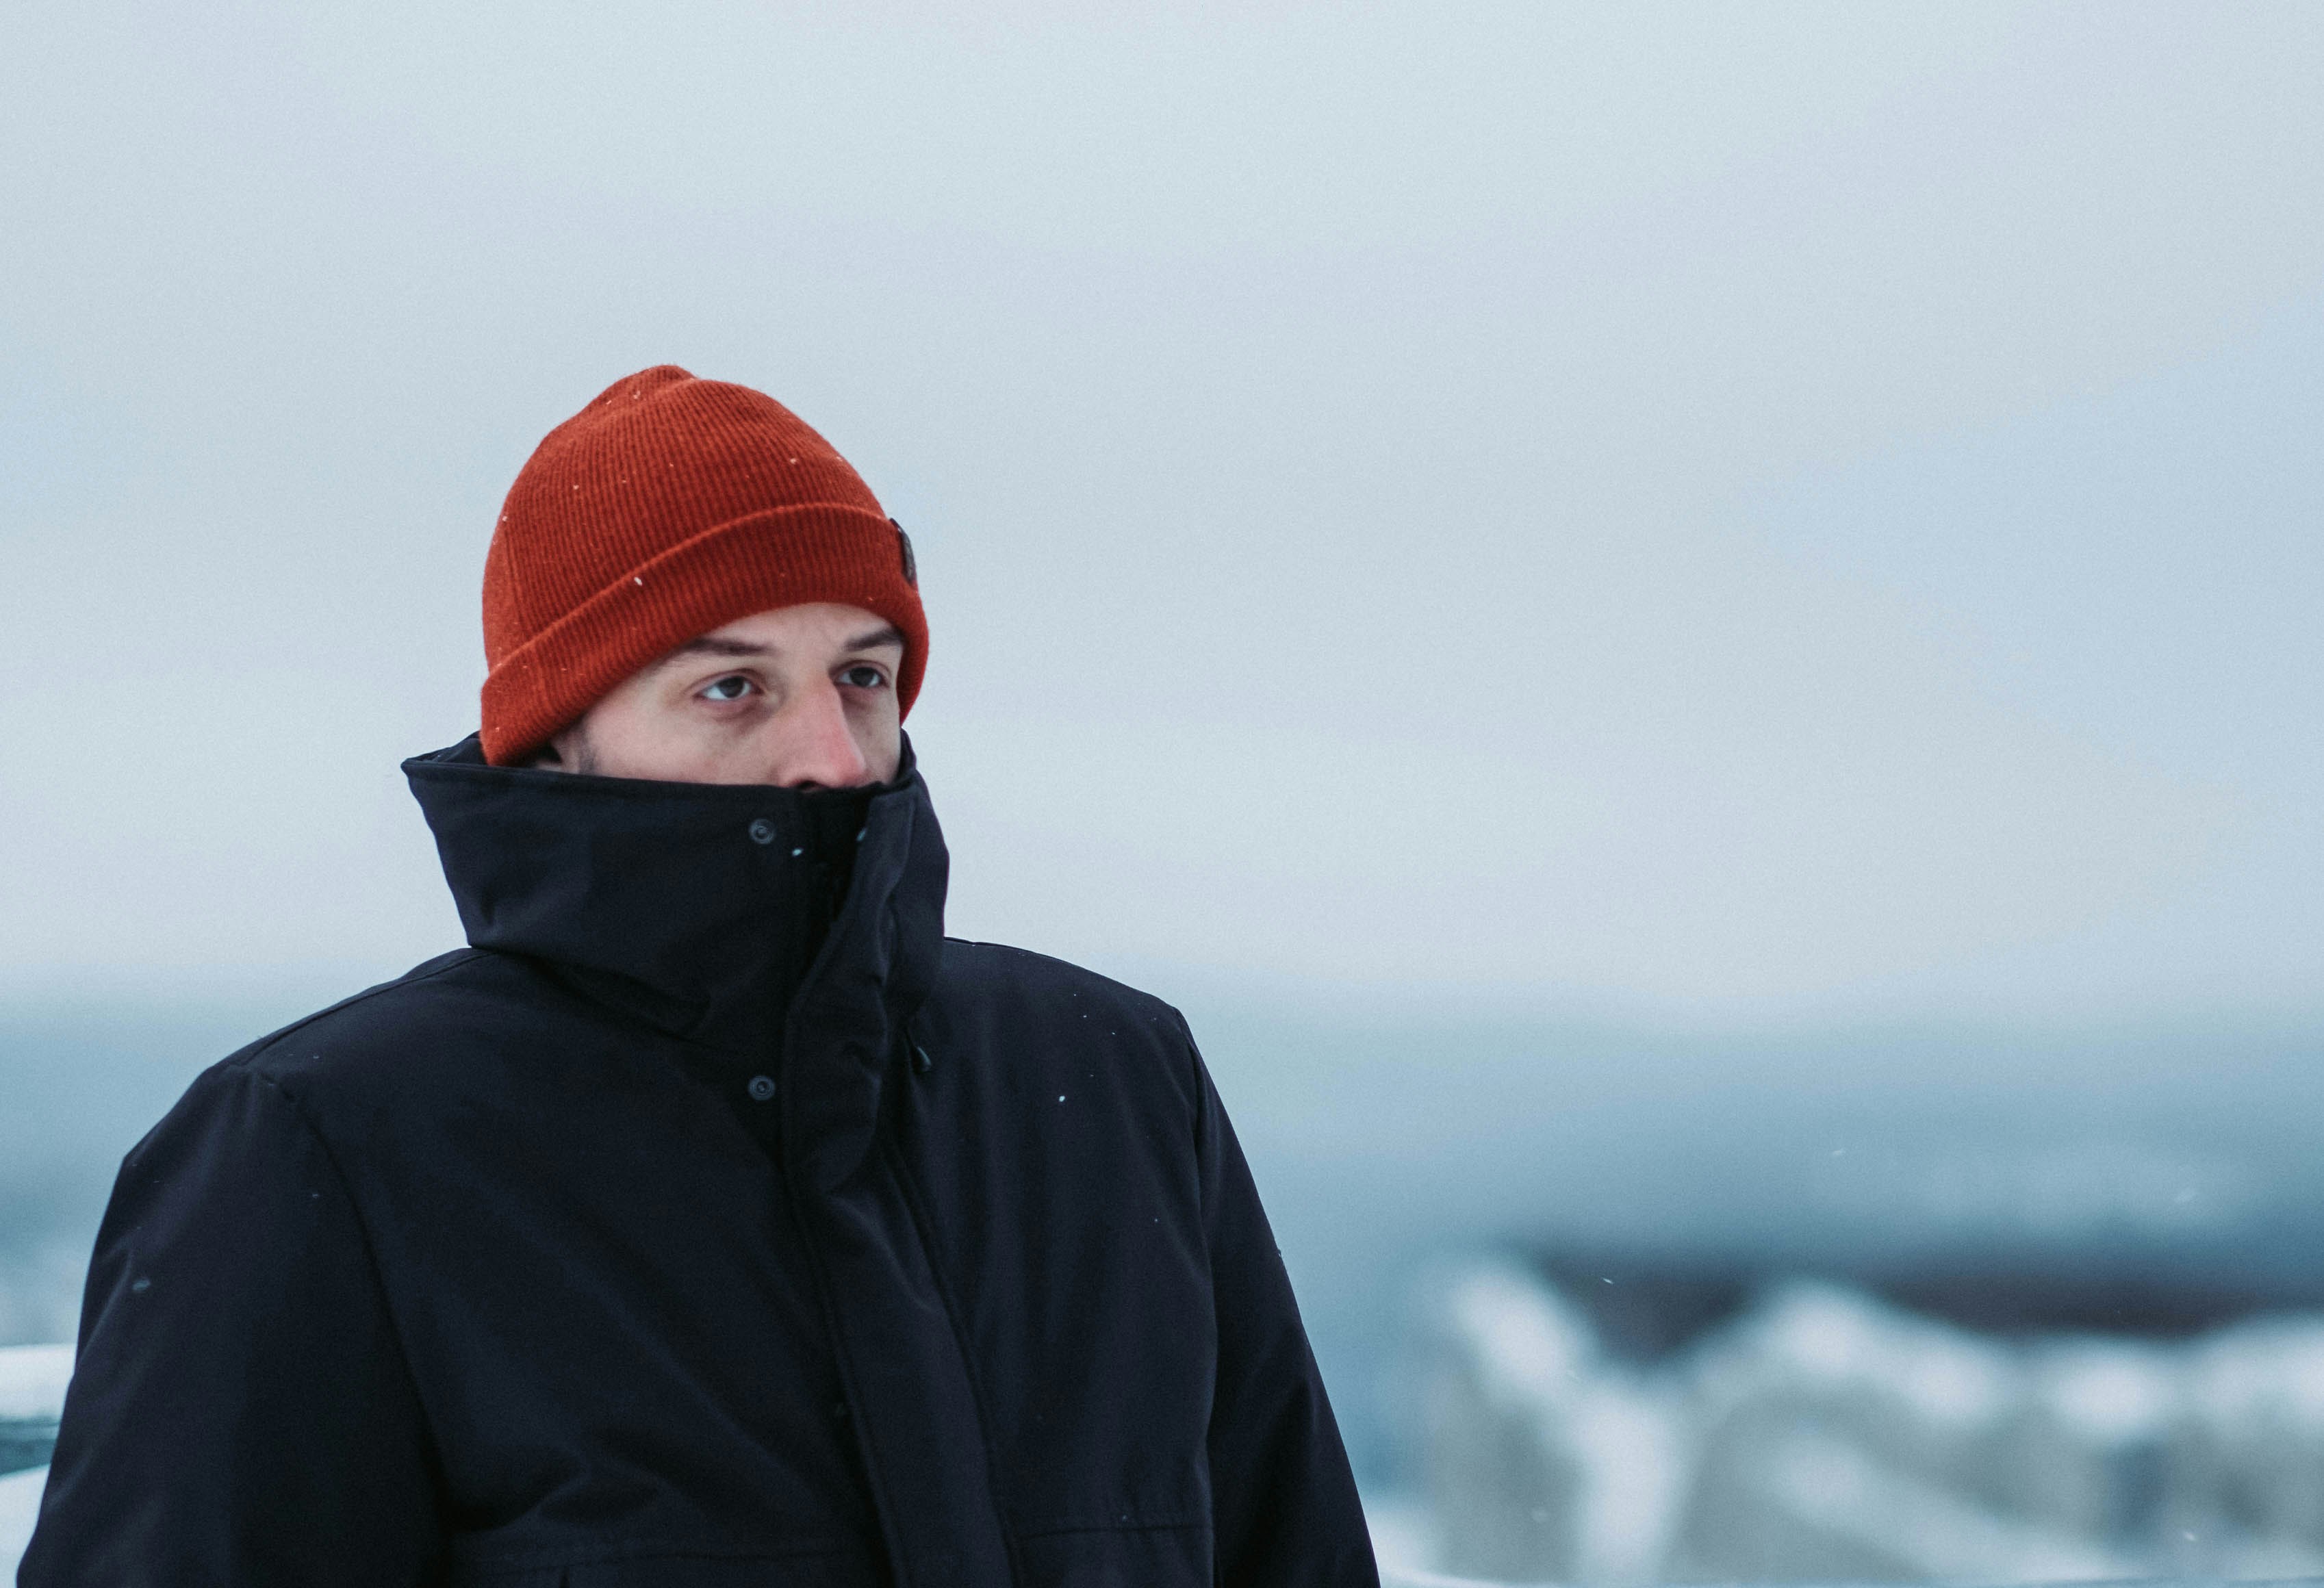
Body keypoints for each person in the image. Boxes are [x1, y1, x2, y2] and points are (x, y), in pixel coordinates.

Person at [21, 367, 1379, 1587]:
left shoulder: (1116, 1080)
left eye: (863, 673)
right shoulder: (320, 1145)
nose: (834, 757)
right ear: (558, 736)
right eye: (732, 687)